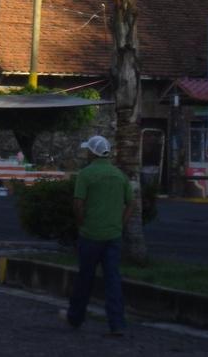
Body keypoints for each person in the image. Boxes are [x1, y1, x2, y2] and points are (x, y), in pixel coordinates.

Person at [62, 135, 133, 336]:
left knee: (85, 278)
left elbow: (78, 204)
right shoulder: (119, 175)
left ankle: (75, 317)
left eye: (88, 150)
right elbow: (131, 203)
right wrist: (121, 223)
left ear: (92, 153)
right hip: (113, 235)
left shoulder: (86, 174)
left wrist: (81, 222)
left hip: (91, 234)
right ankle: (117, 323)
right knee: (113, 280)